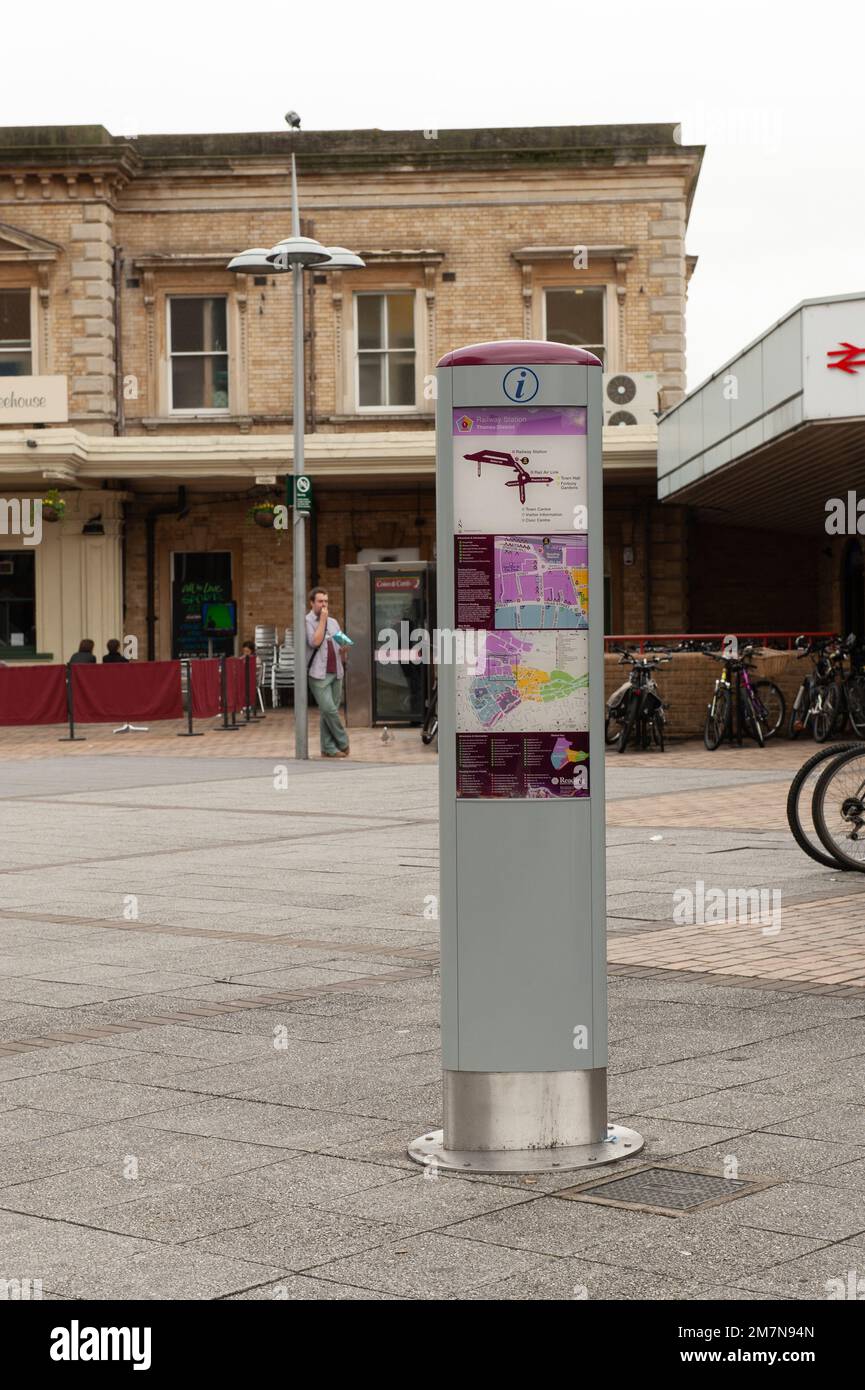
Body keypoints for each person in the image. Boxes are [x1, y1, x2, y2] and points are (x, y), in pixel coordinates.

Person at [305, 587, 350, 758]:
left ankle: (328, 748)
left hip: (336, 671)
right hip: (318, 674)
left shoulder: (333, 622)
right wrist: (322, 620)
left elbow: (343, 643)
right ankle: (343, 741)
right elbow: (315, 641)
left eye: (326, 601)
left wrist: (345, 646)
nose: (324, 604)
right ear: (312, 603)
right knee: (329, 710)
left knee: (328, 712)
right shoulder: (307, 621)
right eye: (320, 601)